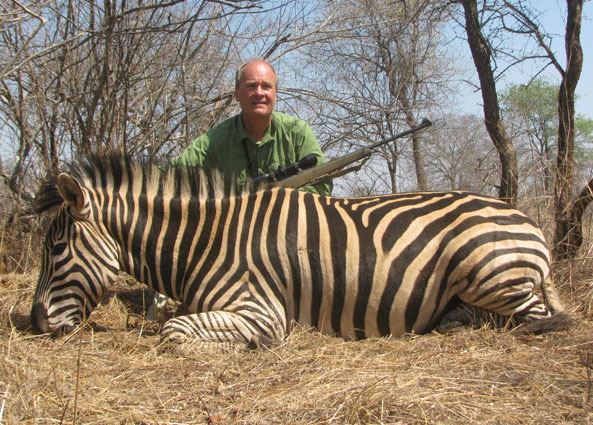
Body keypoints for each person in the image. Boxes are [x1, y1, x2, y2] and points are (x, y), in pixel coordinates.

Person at [173, 58, 332, 195]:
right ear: (236, 93)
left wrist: (283, 202)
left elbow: (322, 184)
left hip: (289, 218)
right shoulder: (213, 141)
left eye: (266, 86)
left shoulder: (298, 132)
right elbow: (171, 175)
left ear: (275, 93)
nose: (259, 93)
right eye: (251, 86)